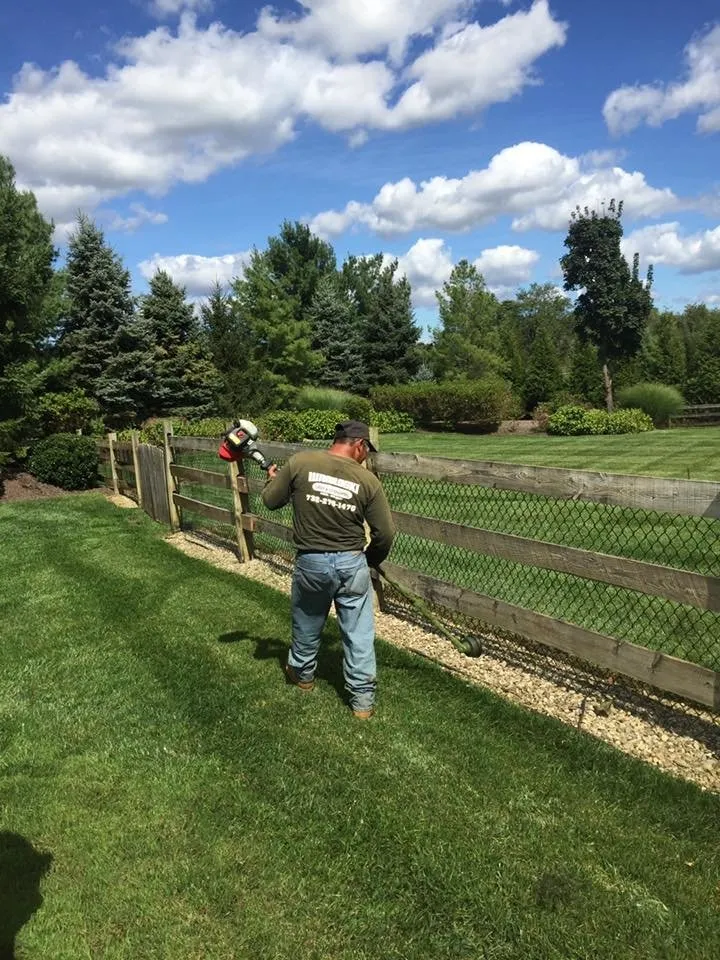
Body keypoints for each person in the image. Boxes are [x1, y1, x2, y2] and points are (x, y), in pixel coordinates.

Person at [262, 420, 395, 718]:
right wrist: (370, 559)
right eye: (367, 450)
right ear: (359, 445)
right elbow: (385, 533)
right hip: (351, 563)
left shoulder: (300, 463)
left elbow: (271, 501)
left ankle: (303, 675)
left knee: (307, 622)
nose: (366, 455)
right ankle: (362, 701)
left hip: (311, 562)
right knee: (358, 633)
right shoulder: (368, 481)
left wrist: (272, 480)